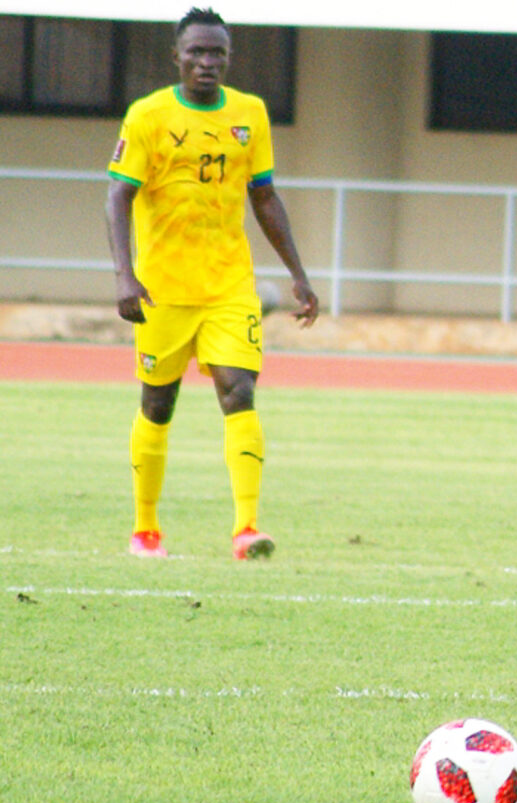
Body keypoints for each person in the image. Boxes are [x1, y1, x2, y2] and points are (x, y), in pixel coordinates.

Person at [107, 6, 318, 561]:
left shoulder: (250, 113)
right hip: (163, 290)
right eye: (197, 51)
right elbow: (119, 195)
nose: (207, 62)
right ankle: (146, 530)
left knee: (239, 391)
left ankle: (247, 530)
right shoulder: (147, 115)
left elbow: (264, 196)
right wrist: (126, 275)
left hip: (229, 286)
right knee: (158, 403)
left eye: (217, 53)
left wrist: (298, 274)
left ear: (229, 58)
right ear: (176, 56)